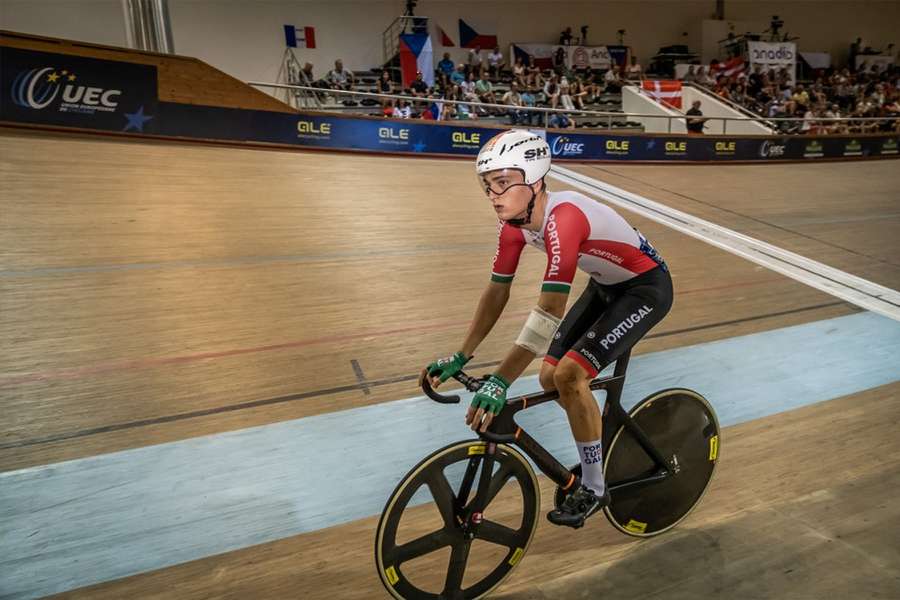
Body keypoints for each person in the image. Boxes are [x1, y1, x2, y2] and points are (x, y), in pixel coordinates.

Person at [420, 130, 672, 528]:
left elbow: (549, 312)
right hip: (606, 288)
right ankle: (594, 432)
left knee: (570, 375)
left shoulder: (564, 219)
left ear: (534, 179)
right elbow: (495, 294)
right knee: (548, 378)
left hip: (645, 290)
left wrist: (500, 380)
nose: (493, 195)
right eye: (488, 186)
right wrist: (461, 355)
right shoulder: (513, 226)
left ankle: (594, 486)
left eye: (503, 183)